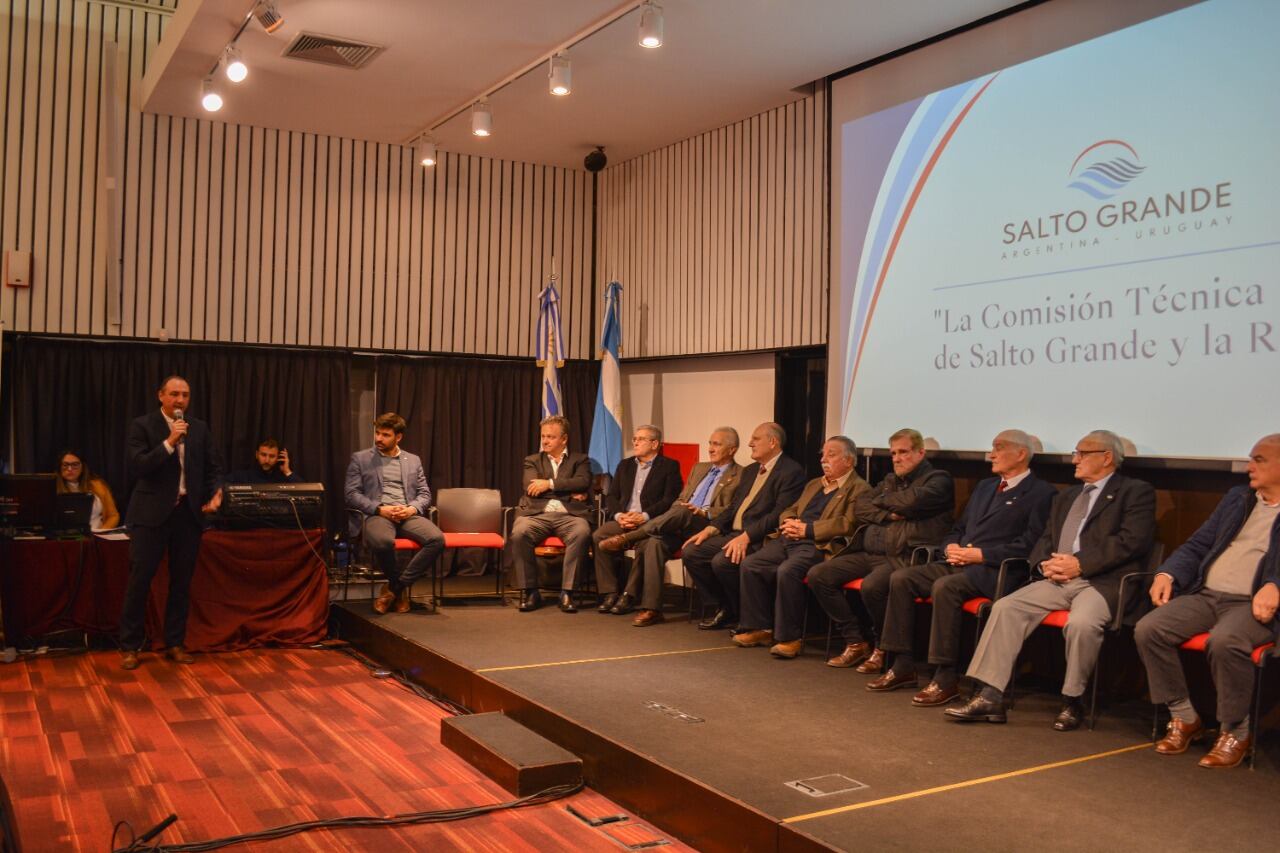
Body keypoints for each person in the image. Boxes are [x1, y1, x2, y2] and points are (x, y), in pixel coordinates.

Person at [948, 429, 1156, 731]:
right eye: (1076, 453)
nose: (1075, 459)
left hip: (1102, 582)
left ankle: (1073, 700)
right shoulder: (1068, 495)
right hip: (1057, 578)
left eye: (1082, 453)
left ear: (1107, 457)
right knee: (1006, 608)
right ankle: (990, 695)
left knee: (1082, 624)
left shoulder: (1135, 492)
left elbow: (1132, 541)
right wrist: (1044, 566)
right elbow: (1046, 538)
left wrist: (1080, 564)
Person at [866, 429, 1056, 703]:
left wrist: (981, 555)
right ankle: (903, 663)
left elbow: (1031, 545)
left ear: (1021, 453)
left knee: (946, 587)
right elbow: (958, 527)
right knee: (902, 578)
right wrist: (950, 548)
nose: (991, 454)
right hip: (959, 562)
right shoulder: (985, 486)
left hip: (996, 571)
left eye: (998, 448)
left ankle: (945, 676)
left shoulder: (1041, 493)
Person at [1134, 434, 1279, 768]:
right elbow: (1197, 544)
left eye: (1259, 460)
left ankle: (1236, 731)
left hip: (1252, 604)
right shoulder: (1238, 499)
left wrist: (1275, 585)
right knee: (1149, 628)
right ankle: (1184, 716)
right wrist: (1166, 574)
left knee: (1226, 641)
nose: (1249, 466)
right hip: (1207, 594)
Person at [807, 428, 954, 673]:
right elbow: (861, 506)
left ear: (920, 453)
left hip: (902, 556)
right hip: (870, 552)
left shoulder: (939, 480)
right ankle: (855, 641)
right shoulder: (890, 480)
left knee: (872, 586)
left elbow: (913, 501)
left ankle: (882, 646)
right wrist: (889, 513)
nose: (896, 458)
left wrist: (886, 502)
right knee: (819, 575)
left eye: (903, 452)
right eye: (893, 453)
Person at [119, 375, 223, 670]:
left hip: (187, 515)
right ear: (160, 396)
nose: (180, 400)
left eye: (185, 395)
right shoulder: (143, 426)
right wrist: (169, 442)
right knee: (139, 582)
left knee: (181, 584)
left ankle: (175, 643)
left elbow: (214, 468)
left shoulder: (199, 429)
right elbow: (139, 466)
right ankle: (130, 646)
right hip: (150, 515)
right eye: (174, 394)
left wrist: (216, 493)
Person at [733, 436, 869, 657]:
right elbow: (791, 508)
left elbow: (847, 523)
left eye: (831, 455)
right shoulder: (814, 484)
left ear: (849, 461)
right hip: (790, 537)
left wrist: (808, 529)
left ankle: (789, 638)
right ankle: (760, 628)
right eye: (823, 454)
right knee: (752, 564)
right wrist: (789, 522)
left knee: (788, 571)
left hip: (817, 543)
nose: (824, 460)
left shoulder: (859, 488)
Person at [597, 427, 743, 626]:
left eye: (716, 444)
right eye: (709, 443)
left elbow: (732, 509)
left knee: (683, 511)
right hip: (675, 524)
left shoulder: (741, 474)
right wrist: (678, 510)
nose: (710, 448)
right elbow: (680, 499)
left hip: (707, 526)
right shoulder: (700, 468)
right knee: (653, 543)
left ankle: (629, 538)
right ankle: (652, 609)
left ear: (732, 449)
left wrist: (703, 512)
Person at [681, 422, 805, 631]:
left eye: (756, 439)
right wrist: (711, 528)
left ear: (773, 442)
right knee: (692, 551)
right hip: (734, 533)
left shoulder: (791, 471)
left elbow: (778, 515)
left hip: (760, 537)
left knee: (722, 562)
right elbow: (732, 508)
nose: (749, 444)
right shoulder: (750, 471)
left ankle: (743, 613)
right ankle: (723, 606)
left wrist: (747, 536)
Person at [345, 413, 445, 615]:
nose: (379, 439)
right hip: (378, 514)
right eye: (377, 433)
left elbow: (424, 494)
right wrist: (379, 509)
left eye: (385, 435)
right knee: (382, 542)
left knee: (437, 540)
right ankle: (399, 591)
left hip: (407, 514)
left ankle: (395, 588)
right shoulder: (361, 459)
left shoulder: (413, 460)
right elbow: (351, 494)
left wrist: (412, 508)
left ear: (398, 437)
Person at [590, 425, 683, 615]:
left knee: (645, 542)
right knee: (599, 535)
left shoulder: (669, 466)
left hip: (650, 521)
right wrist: (619, 516)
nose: (635, 442)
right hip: (624, 519)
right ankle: (610, 592)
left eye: (641, 439)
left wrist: (644, 516)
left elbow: (669, 499)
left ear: (654, 444)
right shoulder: (625, 465)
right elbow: (612, 496)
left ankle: (629, 594)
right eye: (634, 439)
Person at [510, 415, 594, 613]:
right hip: (537, 514)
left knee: (582, 532)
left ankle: (567, 593)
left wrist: (548, 484)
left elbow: (583, 482)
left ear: (563, 439)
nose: (545, 441)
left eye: (550, 437)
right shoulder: (532, 460)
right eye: (543, 436)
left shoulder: (580, 460)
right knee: (519, 533)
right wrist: (569, 490)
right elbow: (529, 486)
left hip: (570, 516)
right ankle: (531, 591)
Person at [55, 449, 120, 530]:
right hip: (64, 538)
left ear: (83, 466)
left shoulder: (98, 485)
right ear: (59, 467)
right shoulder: (51, 488)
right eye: (65, 465)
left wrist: (102, 531)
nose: (70, 469)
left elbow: (113, 516)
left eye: (75, 464)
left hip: (97, 535)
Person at [226, 438, 302, 484]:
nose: (267, 460)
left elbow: (304, 491)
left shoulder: (283, 479)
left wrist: (287, 471)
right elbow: (222, 484)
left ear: (278, 457)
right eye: (263, 455)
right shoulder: (243, 477)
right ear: (257, 454)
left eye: (272, 456)